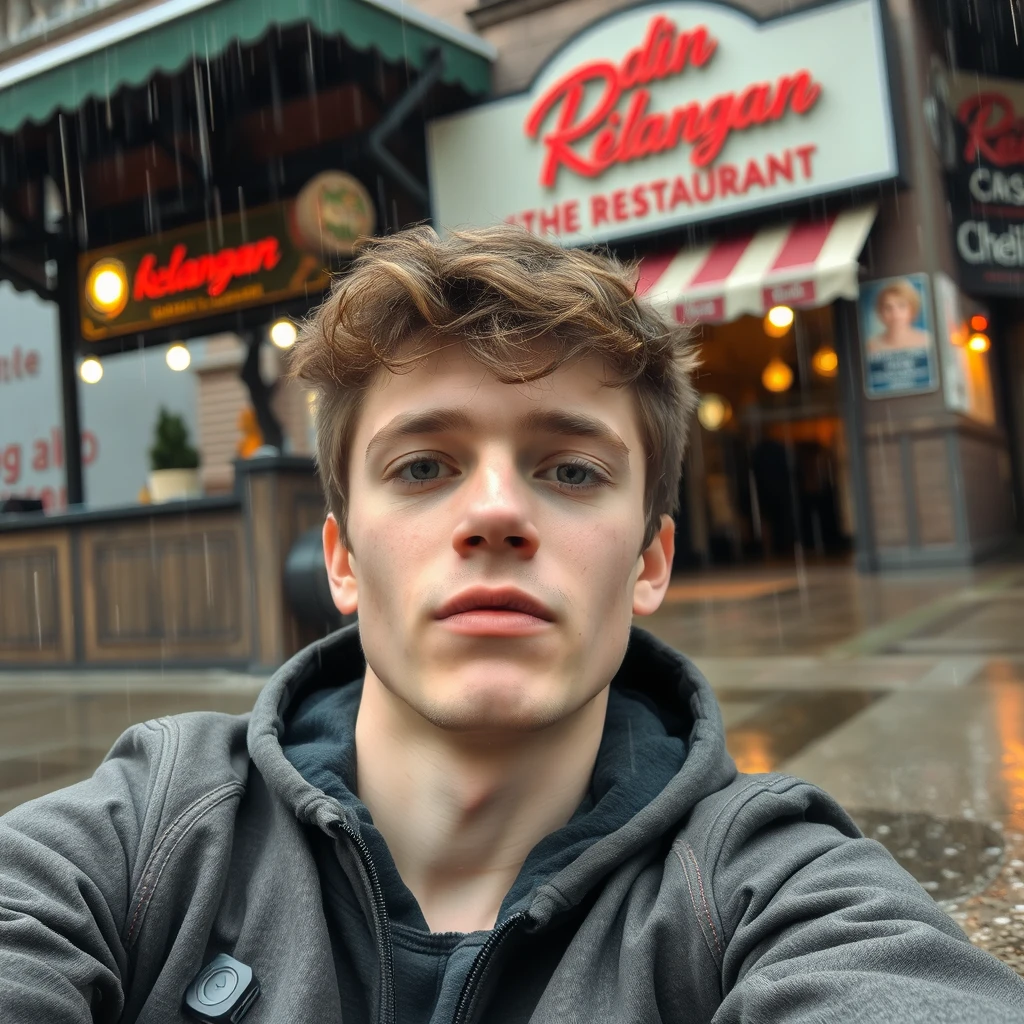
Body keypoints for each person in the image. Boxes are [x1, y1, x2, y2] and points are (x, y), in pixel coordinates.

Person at [1, 226, 1023, 1024]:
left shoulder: (772, 887)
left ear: (649, 561)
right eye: (423, 466)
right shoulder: (151, 833)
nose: (495, 512)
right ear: (343, 560)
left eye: (570, 469)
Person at [865, 278, 933, 355]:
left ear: (912, 309)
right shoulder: (871, 346)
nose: (895, 314)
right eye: (888, 307)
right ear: (880, 312)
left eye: (901, 306)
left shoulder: (927, 341)